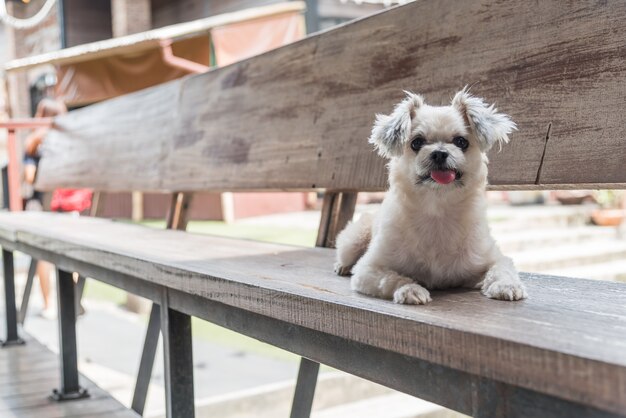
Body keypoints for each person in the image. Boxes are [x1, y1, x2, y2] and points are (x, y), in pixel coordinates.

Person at [23, 98, 91, 318]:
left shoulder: (34, 142)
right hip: (66, 206)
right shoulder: (69, 141)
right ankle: (72, 300)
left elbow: (29, 177)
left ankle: (49, 304)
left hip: (43, 206)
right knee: (71, 252)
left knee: (44, 256)